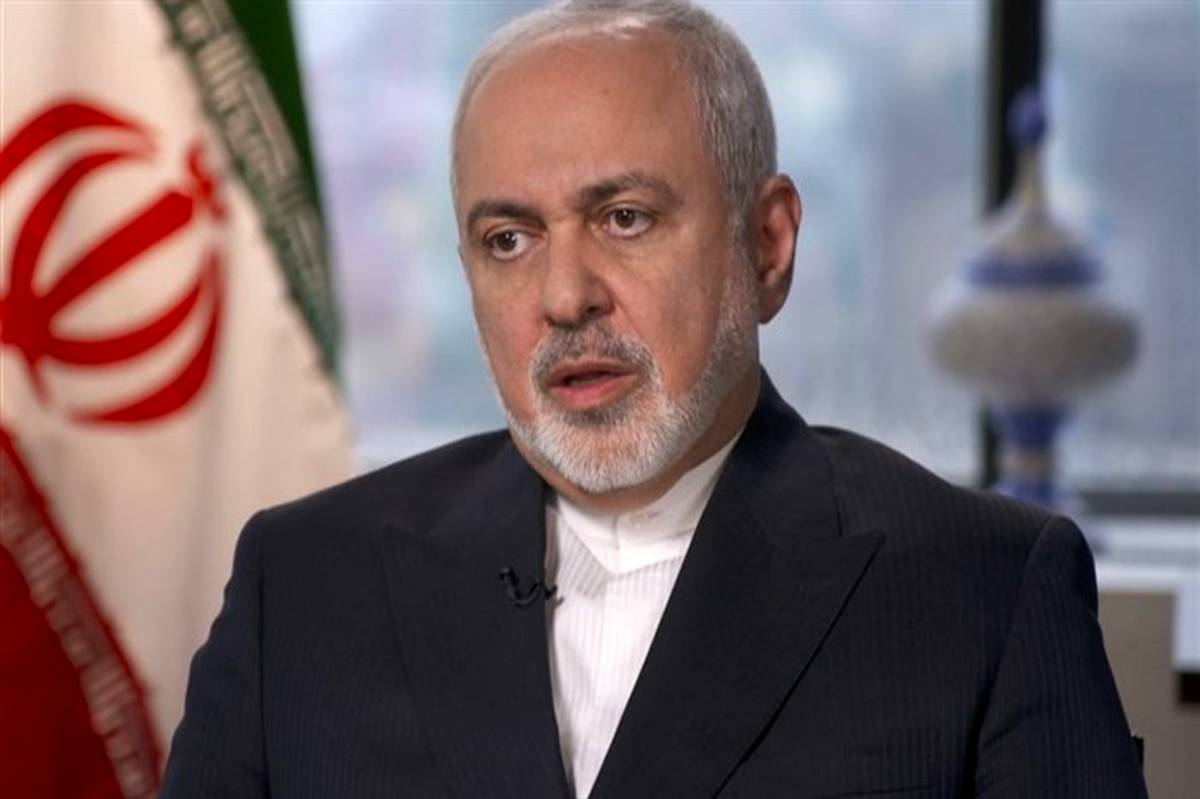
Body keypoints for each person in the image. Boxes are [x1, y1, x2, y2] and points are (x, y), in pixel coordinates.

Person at [162, 1, 1147, 796]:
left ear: (768, 245)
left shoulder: (985, 594)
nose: (564, 296)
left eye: (625, 218)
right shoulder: (302, 586)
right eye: (509, 240)